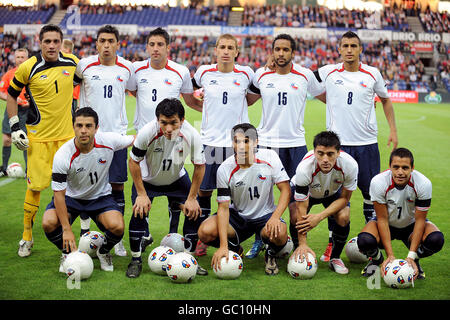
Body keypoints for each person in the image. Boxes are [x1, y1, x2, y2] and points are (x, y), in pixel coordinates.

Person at [315, 30, 398, 262]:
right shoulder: (328, 71)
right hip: (337, 148)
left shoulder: (372, 73)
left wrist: (393, 130)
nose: (349, 49)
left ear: (360, 49)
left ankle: (374, 242)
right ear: (339, 49)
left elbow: (386, 99)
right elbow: (303, 79)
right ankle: (333, 244)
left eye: (353, 45)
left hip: (367, 145)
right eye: (345, 46)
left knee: (372, 195)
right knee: (337, 198)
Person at [247, 33, 324, 255]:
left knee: (296, 201)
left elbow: (327, 96)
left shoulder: (305, 75)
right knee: (261, 197)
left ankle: (300, 245)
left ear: (292, 52)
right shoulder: (261, 74)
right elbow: (247, 99)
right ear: (272, 52)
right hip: (266, 144)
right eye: (277, 49)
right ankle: (260, 239)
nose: (281, 53)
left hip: (295, 145)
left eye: (285, 50)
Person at [6, 24, 79, 258]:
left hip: (68, 139)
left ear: (61, 42)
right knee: (35, 188)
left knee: (74, 189)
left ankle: (78, 234)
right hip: (39, 139)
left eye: (55, 41)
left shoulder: (72, 63)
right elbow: (11, 95)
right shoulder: (28, 67)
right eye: (47, 41)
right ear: (40, 42)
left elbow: (86, 82)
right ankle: (27, 236)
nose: (51, 45)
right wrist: (15, 126)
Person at [128, 27, 203, 251]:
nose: (156, 48)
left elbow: (189, 101)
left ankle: (173, 234)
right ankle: (144, 235)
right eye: (152, 44)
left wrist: (210, 109)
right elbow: (134, 93)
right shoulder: (136, 70)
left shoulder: (180, 71)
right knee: (144, 191)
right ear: (147, 47)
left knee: (173, 182)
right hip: (146, 140)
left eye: (160, 44)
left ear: (168, 48)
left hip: (175, 138)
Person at [42, 107, 134, 272]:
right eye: (79, 125)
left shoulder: (108, 141)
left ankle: (103, 252)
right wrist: (67, 230)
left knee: (118, 226)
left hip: (100, 199)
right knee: (48, 222)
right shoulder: (63, 155)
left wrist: (162, 132)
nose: (83, 131)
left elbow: (135, 139)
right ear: (74, 127)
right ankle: (68, 253)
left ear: (96, 128)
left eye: (88, 126)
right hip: (71, 199)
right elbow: (59, 195)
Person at [126, 98, 207, 278]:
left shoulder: (192, 135)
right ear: (157, 120)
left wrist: (192, 198)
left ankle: (190, 261)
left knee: (193, 211)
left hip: (176, 178)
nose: (168, 128)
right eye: (164, 123)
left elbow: (200, 166)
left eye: (174, 123)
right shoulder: (147, 132)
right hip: (148, 180)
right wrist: (141, 193)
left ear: (182, 120)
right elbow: (133, 162)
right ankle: (136, 260)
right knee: (139, 212)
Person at [192, 33, 257, 257]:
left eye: (231, 47)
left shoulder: (247, 73)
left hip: (237, 144)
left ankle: (250, 236)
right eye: (222, 47)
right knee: (205, 190)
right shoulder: (203, 72)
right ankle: (202, 238)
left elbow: (254, 96)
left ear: (237, 52)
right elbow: (189, 95)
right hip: (210, 141)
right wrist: (205, 109)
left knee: (242, 191)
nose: (226, 51)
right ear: (216, 50)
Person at [198, 123, 291, 275]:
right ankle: (235, 249)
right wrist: (223, 246)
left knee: (279, 233)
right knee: (205, 231)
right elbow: (223, 208)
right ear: (232, 143)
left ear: (256, 142)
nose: (241, 146)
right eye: (237, 141)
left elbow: (285, 190)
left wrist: (275, 217)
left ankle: (270, 253)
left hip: (265, 216)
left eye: (246, 141)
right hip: (238, 218)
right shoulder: (225, 169)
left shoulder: (270, 158)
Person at [75, 25, 135, 256]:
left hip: (117, 137)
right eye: (102, 41)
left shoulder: (127, 67)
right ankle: (84, 230)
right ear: (96, 43)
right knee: (85, 184)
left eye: (111, 41)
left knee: (117, 185)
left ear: (118, 44)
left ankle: (115, 237)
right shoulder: (84, 65)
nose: (107, 45)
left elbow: (133, 91)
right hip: (89, 137)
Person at [357, 148, 444, 279]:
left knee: (436, 239)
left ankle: (414, 261)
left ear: (412, 168)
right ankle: (376, 259)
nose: (400, 172)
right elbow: (382, 219)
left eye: (405, 168)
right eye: (396, 167)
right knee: (364, 241)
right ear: (390, 167)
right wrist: (390, 255)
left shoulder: (424, 184)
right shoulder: (378, 182)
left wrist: (411, 255)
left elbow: (420, 221)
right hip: (386, 224)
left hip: (411, 226)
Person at [291, 131, 358, 274]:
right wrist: (303, 243)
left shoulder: (350, 165)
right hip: (309, 191)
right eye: (320, 153)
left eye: (330, 154)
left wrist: (319, 216)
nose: (325, 159)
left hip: (333, 192)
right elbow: (301, 207)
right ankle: (298, 249)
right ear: (314, 152)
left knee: (344, 215)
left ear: (338, 153)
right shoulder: (304, 169)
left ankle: (335, 258)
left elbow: (345, 199)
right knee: (294, 215)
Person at [0, 48, 29, 178]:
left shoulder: (32, 74)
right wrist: (12, 98)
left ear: (27, 58)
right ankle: (4, 168)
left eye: (23, 57)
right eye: (18, 57)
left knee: (27, 141)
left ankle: (30, 170)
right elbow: (1, 92)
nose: (20, 59)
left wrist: (31, 102)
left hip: (28, 111)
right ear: (15, 59)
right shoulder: (9, 74)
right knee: (6, 140)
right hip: (12, 110)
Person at [61, 39, 80, 116]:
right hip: (66, 98)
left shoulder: (74, 62)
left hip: (71, 98)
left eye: (60, 48)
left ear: (67, 50)